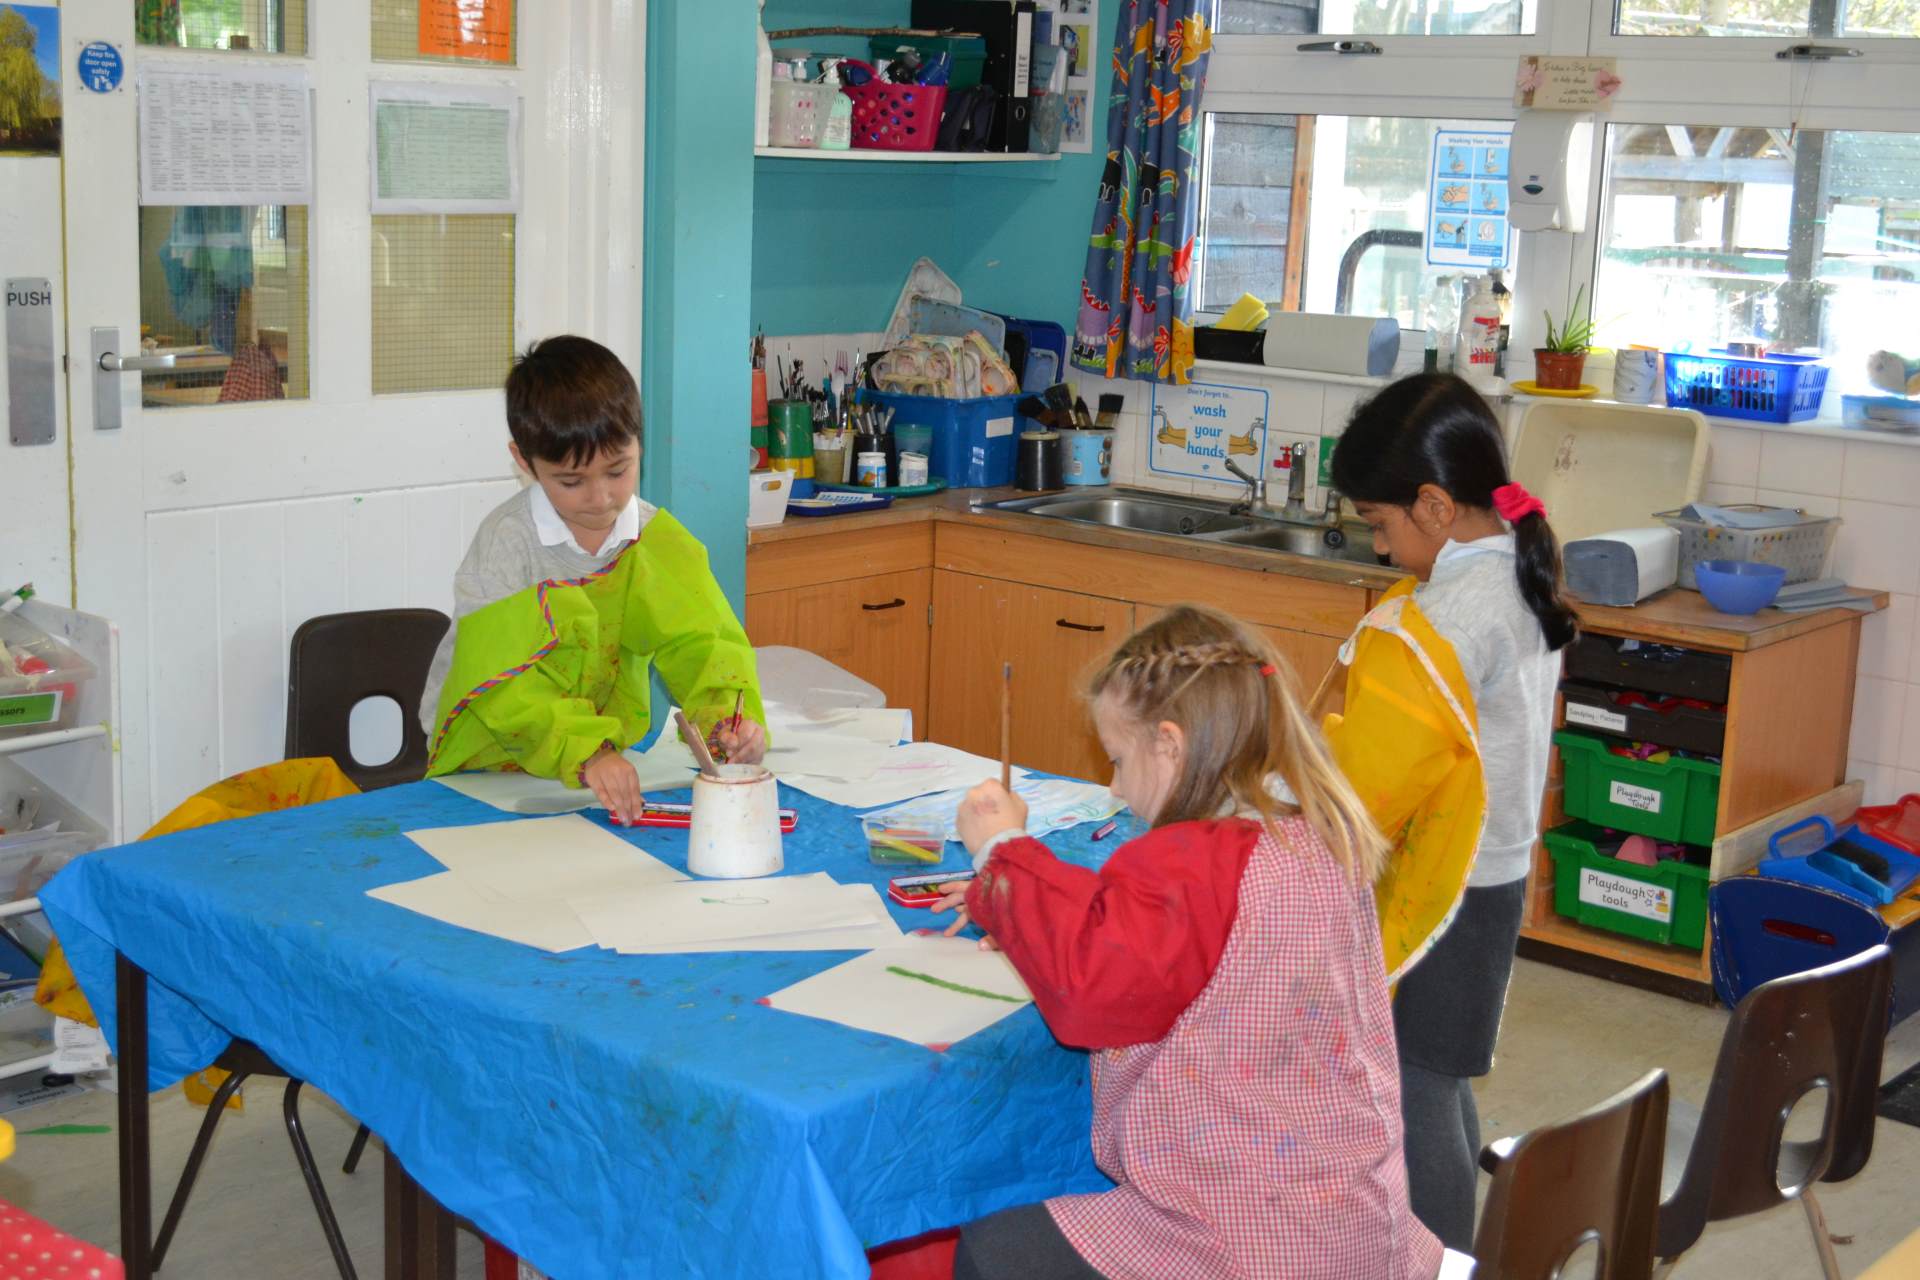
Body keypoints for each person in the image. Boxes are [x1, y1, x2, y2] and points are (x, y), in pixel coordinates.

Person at [932, 606, 1442, 1280]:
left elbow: (1090, 992)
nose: (1114, 787)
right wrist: (1026, 914)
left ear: (1170, 746)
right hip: (1356, 1221)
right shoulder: (1314, 830)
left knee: (993, 1252)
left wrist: (1002, 851)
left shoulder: (1196, 862)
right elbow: (1149, 930)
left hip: (1252, 1241)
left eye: (1118, 761)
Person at [1323, 372, 1575, 1252]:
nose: (1381, 549)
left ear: (1433, 505)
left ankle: (1437, 1262)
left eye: (1380, 524)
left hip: (1445, 883)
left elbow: (1375, 780)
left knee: (1415, 1083)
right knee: (1444, 1072)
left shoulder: (1448, 618)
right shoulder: (1516, 568)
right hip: (1493, 872)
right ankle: (1455, 1255)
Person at [420, 335, 766, 821]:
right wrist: (587, 751)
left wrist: (728, 721)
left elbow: (704, 644)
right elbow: (501, 686)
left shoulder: (654, 541)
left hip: (589, 764)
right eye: (571, 481)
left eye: (618, 471)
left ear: (639, 443)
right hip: (487, 762)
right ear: (524, 461)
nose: (601, 498)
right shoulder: (508, 545)